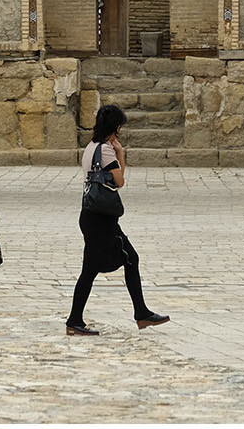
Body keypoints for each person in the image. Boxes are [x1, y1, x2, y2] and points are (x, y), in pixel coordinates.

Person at [65, 103, 170, 336]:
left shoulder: (91, 147)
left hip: (91, 215)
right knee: (121, 260)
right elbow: (119, 180)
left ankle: (139, 312)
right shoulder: (107, 150)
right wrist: (121, 154)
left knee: (110, 264)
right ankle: (77, 319)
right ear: (116, 127)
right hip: (102, 219)